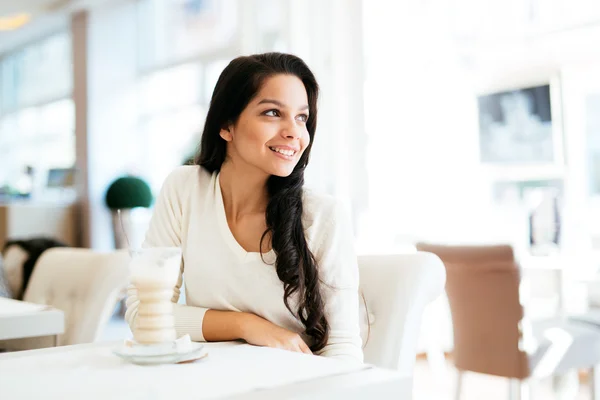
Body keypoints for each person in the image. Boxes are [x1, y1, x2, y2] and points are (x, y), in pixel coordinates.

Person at [125, 52, 363, 362]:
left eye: (302, 117)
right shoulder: (185, 189)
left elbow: (342, 348)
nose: (294, 131)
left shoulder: (321, 215)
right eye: (273, 113)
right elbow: (143, 314)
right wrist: (247, 325)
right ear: (226, 125)